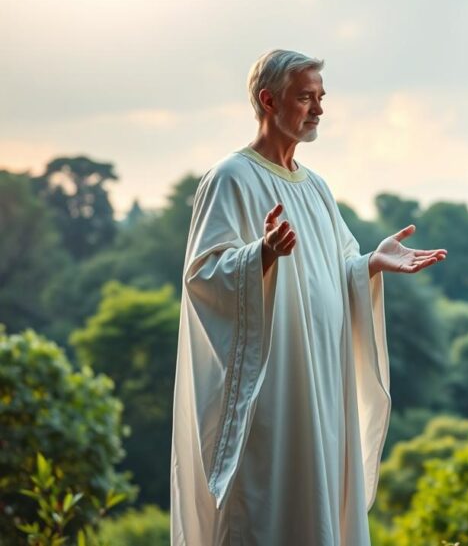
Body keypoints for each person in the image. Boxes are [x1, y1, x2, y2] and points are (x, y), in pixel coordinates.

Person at [170, 49, 446, 545]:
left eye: (321, 97)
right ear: (268, 100)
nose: (318, 109)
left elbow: (333, 271)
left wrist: (369, 266)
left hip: (320, 386)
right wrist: (261, 255)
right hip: (270, 391)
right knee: (265, 506)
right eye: (305, 97)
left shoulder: (316, 188)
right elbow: (203, 277)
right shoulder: (230, 178)